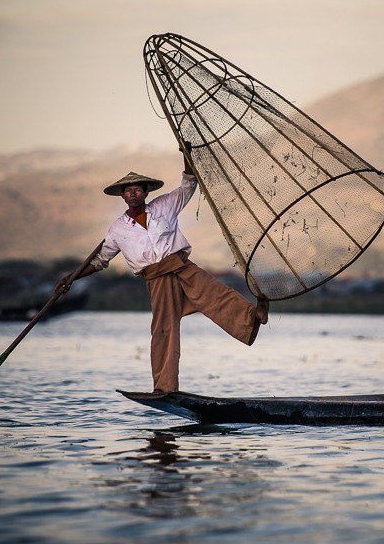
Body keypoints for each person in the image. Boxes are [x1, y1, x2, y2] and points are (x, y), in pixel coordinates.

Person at [56, 145, 268, 393]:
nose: (133, 194)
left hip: (181, 266)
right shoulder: (117, 230)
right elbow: (100, 261)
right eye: (128, 191)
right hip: (157, 279)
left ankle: (254, 316)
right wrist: (71, 277)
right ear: (122, 196)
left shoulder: (164, 205)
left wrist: (186, 156)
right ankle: (165, 387)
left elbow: (188, 185)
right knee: (164, 330)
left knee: (217, 294)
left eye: (137, 189)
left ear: (145, 193)